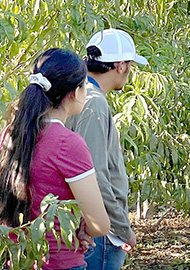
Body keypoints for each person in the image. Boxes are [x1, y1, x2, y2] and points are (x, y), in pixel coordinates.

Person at [0, 48, 110, 270]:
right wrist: (81, 227)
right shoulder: (68, 144)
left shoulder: (10, 134)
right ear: (74, 92)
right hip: (60, 262)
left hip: (17, 259)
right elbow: (99, 225)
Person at [66, 28, 148, 270]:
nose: (129, 72)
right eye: (130, 65)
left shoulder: (78, 95)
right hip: (100, 232)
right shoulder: (95, 104)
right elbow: (96, 176)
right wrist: (123, 229)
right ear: (120, 66)